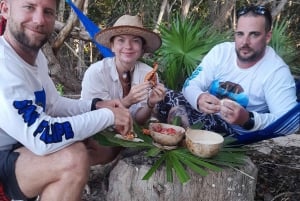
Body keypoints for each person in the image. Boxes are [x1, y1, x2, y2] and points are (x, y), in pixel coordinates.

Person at [0, 0, 133, 200]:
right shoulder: (4, 64)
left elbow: (54, 105)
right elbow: (42, 137)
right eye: (29, 7)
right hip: (8, 155)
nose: (39, 20)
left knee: (100, 143)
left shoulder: (37, 58)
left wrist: (96, 105)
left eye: (47, 12)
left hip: (20, 148)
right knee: (73, 158)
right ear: (5, 9)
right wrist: (108, 115)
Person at [156, 5, 298, 137]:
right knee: (164, 95)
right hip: (204, 113)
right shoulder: (221, 52)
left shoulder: (276, 72)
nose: (245, 42)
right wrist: (198, 98)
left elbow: (288, 123)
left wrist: (247, 119)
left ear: (267, 37)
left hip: (234, 131)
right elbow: (190, 84)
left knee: (194, 121)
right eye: (240, 34)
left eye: (254, 34)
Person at [81, 15, 166, 126]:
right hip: (97, 133)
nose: (128, 46)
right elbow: (96, 117)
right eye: (121, 40)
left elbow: (138, 120)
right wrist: (128, 101)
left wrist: (150, 104)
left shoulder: (148, 74)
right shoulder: (97, 72)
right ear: (112, 46)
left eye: (135, 41)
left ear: (142, 49)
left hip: (132, 137)